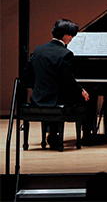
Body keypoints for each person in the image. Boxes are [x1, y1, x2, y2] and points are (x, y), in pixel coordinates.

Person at [23, 19, 90, 149]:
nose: (72, 38)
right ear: (65, 36)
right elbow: (69, 81)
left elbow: (27, 74)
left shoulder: (38, 50)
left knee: (61, 93)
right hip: (56, 99)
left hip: (38, 98)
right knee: (85, 99)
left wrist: (38, 87)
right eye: (71, 35)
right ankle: (87, 135)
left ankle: (52, 133)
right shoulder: (65, 54)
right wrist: (81, 90)